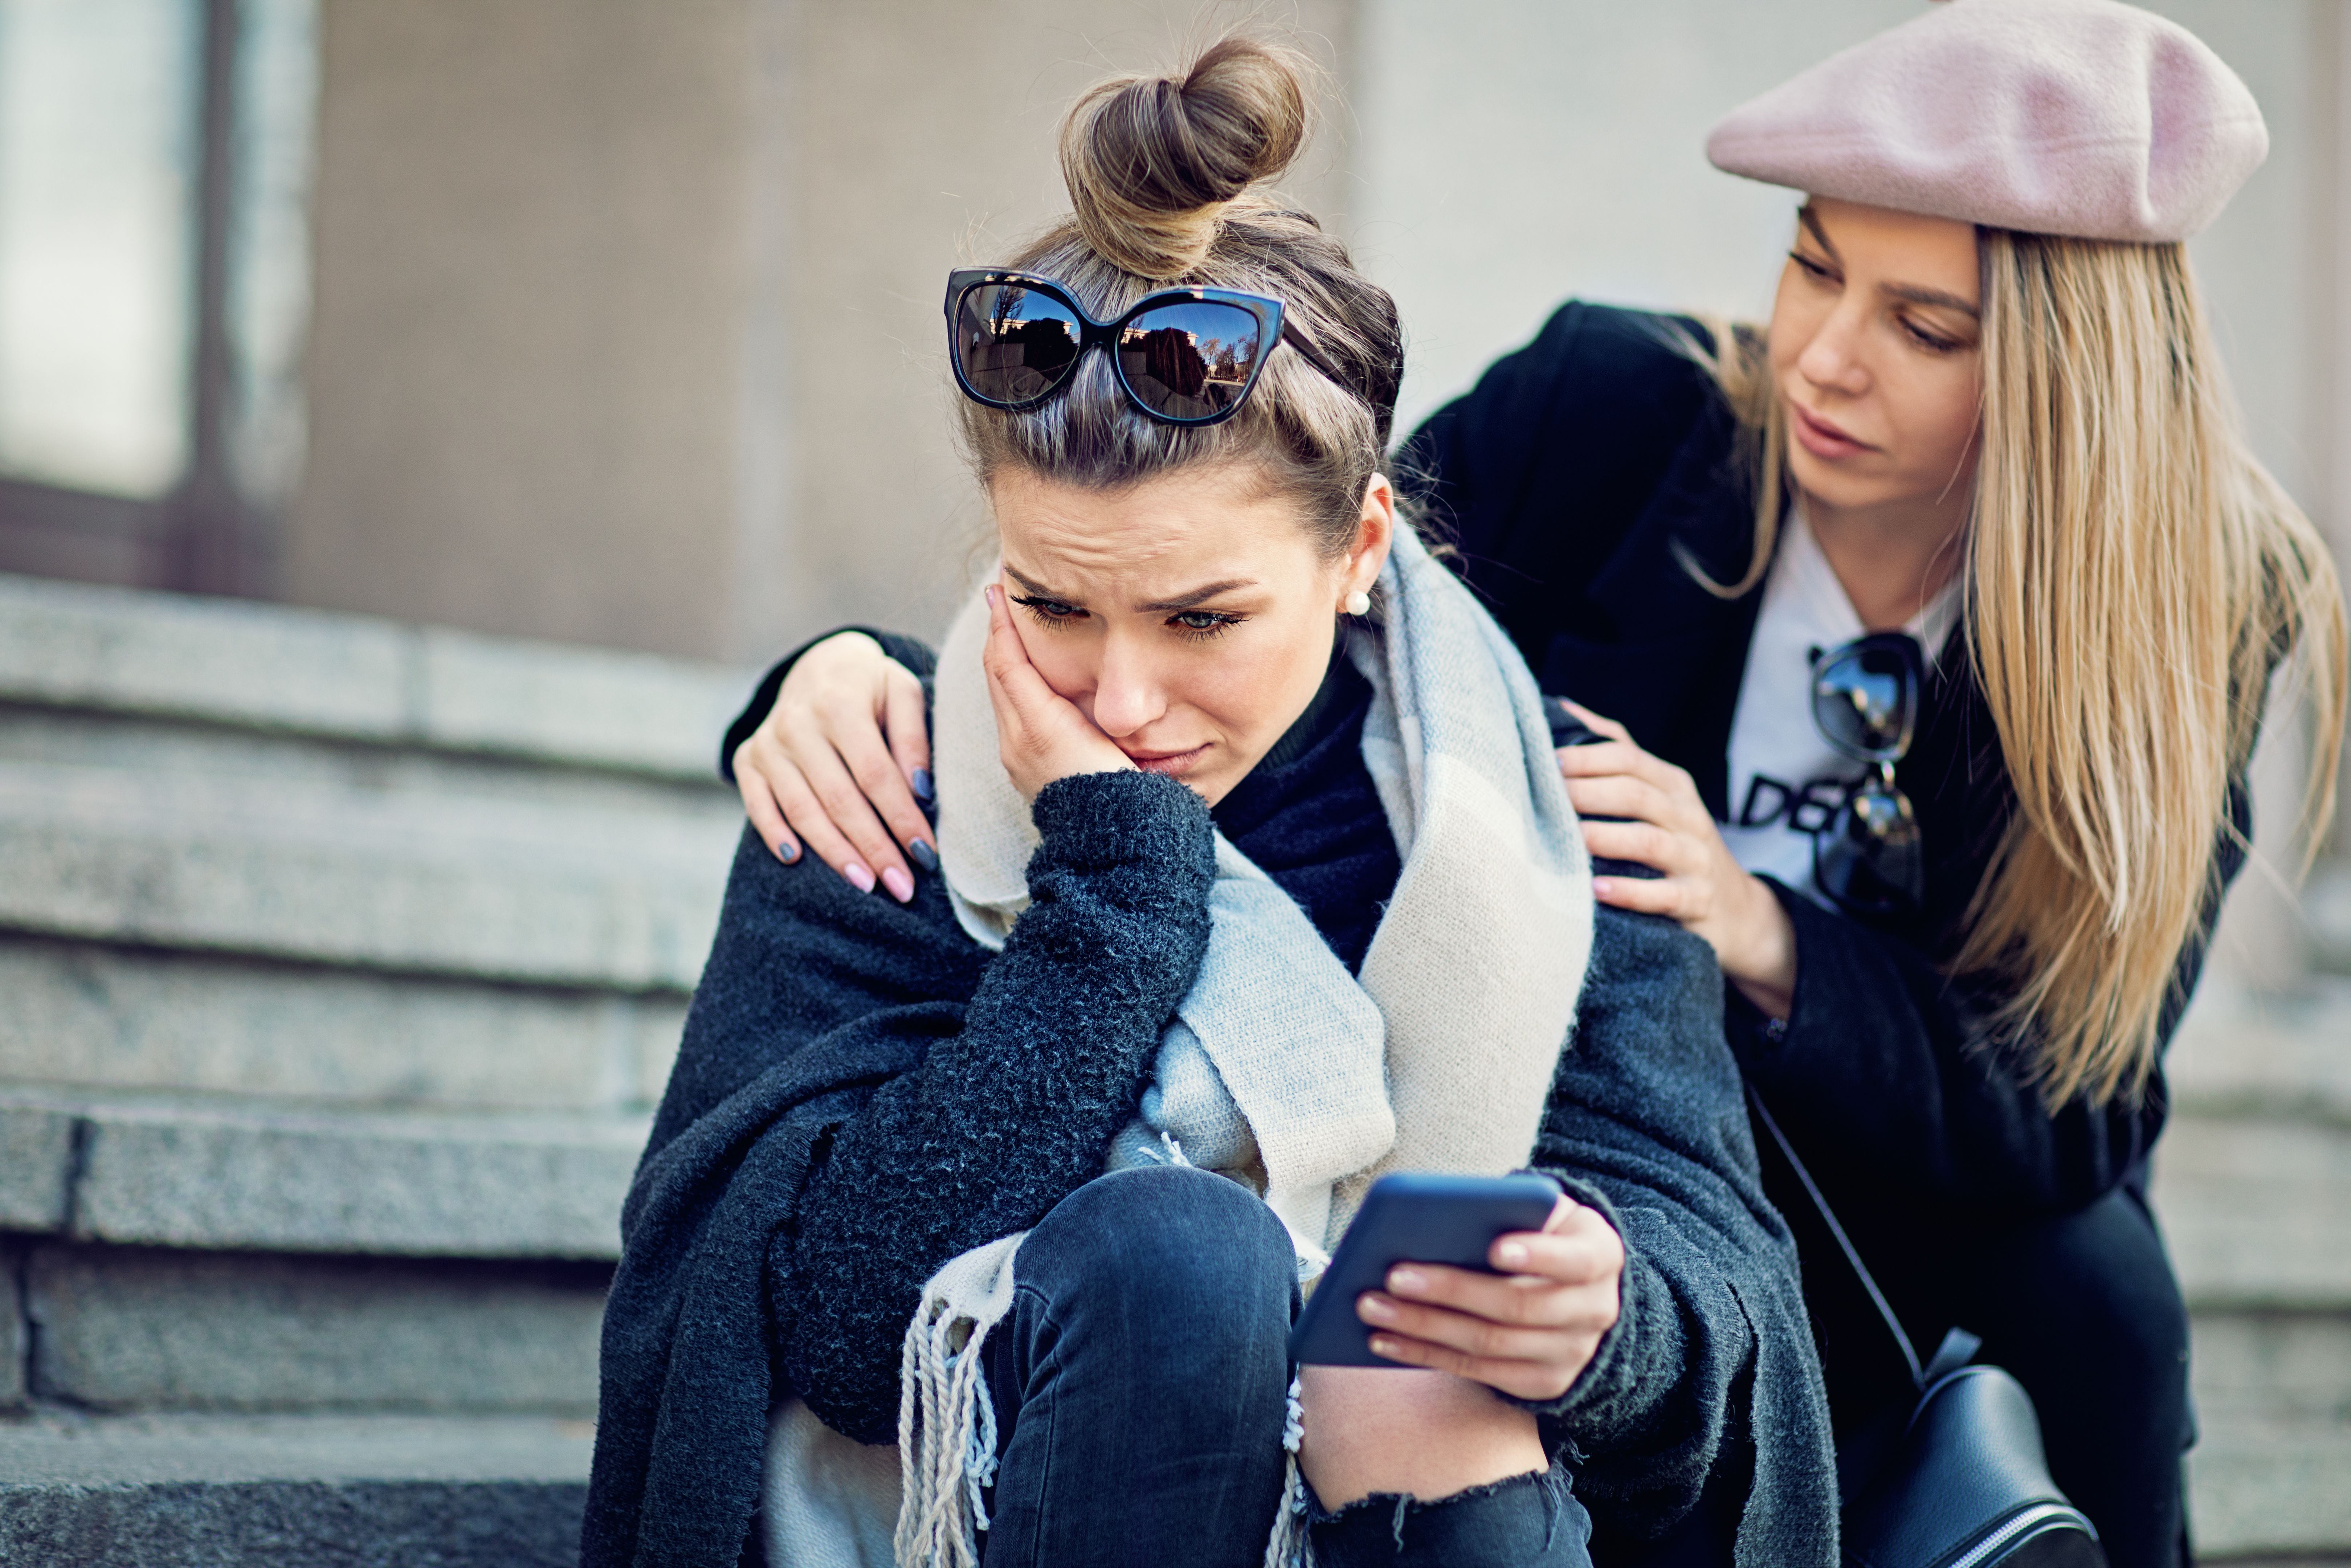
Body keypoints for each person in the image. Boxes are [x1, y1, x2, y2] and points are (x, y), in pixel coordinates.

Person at [716, 4, 2350, 1564]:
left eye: (1924, 328)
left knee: (2098, 1296)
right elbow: (1244, 526)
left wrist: (1758, 931)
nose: (1825, 359)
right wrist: (857, 672)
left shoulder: (2188, 599)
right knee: (1338, 1280)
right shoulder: (1628, 413)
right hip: (1560, 1074)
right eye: (1811, 266)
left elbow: (2077, 1102)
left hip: (1790, 1122)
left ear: (2076, 373)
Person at [585, 36, 1836, 1568]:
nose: (1120, 703)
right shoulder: (879, 785)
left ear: (1362, 546)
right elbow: (835, 1329)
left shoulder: (1546, 819)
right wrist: (1117, 887)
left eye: (1200, 620)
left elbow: (1715, 1282)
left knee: (1406, 1343)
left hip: (1437, 1504)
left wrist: (1615, 1314)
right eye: (1049, 604)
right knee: (1180, 1256)